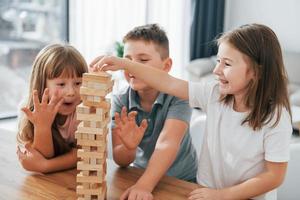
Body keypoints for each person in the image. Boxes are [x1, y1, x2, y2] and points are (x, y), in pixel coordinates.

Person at [92, 23, 293, 200]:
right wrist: (123, 63)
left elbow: (273, 176)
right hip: (205, 191)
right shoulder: (214, 94)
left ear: (256, 72)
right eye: (218, 61)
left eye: (227, 64)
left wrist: (222, 196)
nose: (216, 71)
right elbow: (167, 81)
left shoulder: (276, 116)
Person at [90, 24, 198, 200]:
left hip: (182, 181)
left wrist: (144, 185)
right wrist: (129, 147)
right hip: (139, 175)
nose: (133, 68)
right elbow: (122, 159)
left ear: (166, 65)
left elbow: (167, 143)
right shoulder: (120, 99)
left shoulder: (180, 95)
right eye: (127, 60)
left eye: (143, 60)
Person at [17, 44, 88, 173]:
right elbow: (42, 156)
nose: (71, 92)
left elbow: (83, 153)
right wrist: (42, 126)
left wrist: (46, 166)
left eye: (78, 83)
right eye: (61, 84)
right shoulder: (29, 110)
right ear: (42, 84)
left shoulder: (84, 111)